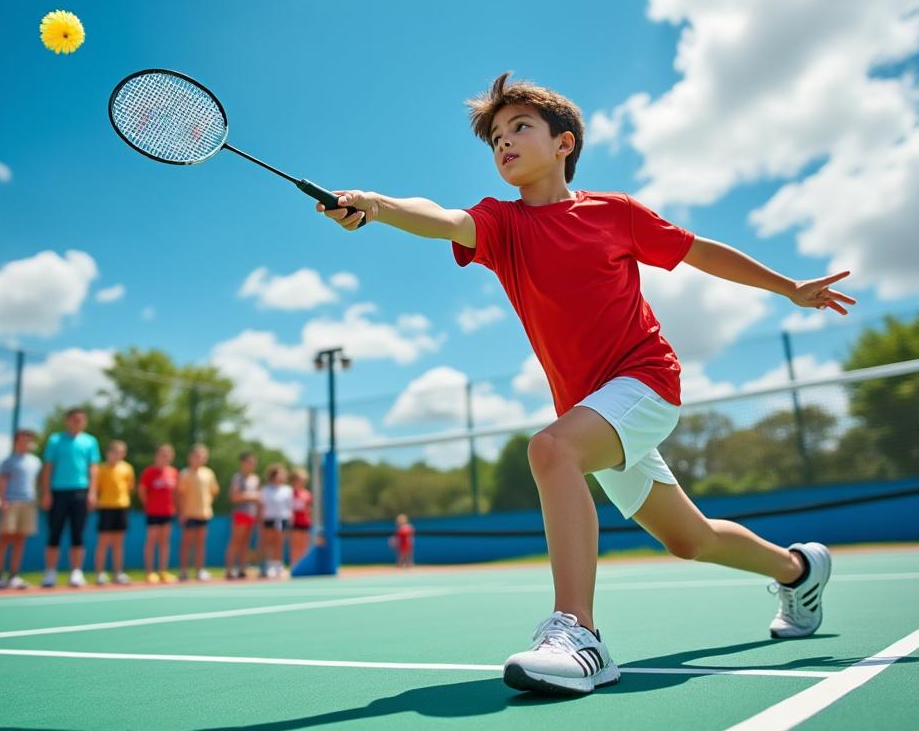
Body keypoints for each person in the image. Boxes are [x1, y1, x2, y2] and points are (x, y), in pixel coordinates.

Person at [315, 72, 853, 695]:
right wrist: (376, 206)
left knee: (551, 449)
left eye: (520, 128)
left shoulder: (613, 213)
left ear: (564, 143)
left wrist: (788, 287)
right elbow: (441, 218)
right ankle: (798, 570)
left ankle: (578, 633)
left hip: (645, 381)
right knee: (689, 539)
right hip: (593, 407)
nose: (503, 143)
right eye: (494, 137)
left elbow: (698, 251)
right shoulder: (501, 225)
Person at [40, 407, 101, 588]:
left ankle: (76, 572)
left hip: (80, 491)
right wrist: (46, 492)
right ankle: (50, 572)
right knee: (54, 533)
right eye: (74, 419)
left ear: (85, 422)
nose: (77, 422)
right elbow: (48, 467)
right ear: (67, 421)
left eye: (81, 419)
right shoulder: (55, 440)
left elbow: (93, 468)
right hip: (58, 492)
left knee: (78, 534)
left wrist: (92, 492)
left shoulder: (90, 441)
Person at [0, 429, 41, 590]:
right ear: (16, 441)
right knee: (5, 539)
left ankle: (13, 576)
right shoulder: (9, 461)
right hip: (11, 503)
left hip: (28, 503)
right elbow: (2, 481)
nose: (26, 443)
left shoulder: (35, 461)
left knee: (20, 541)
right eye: (23, 440)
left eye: (29, 440)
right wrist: (2, 500)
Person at [94, 439, 134, 585]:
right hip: (106, 507)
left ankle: (118, 573)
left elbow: (129, 486)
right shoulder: (101, 468)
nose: (117, 455)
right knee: (103, 542)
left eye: (121, 452)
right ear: (108, 453)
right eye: (114, 452)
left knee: (118, 543)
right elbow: (97, 488)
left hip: (121, 507)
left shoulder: (127, 468)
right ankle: (100, 574)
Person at [176, 443, 218, 581]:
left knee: (201, 543)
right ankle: (183, 571)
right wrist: (181, 513)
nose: (199, 459)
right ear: (190, 457)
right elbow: (180, 495)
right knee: (186, 543)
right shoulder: (185, 473)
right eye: (196, 456)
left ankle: (200, 570)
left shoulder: (208, 473)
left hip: (204, 513)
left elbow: (214, 491)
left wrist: (207, 503)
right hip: (189, 513)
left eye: (202, 456)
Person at [138, 444, 178, 584]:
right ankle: (149, 572)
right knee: (151, 541)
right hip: (153, 512)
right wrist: (148, 505)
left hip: (168, 512)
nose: (165, 457)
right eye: (162, 454)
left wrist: (176, 507)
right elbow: (142, 490)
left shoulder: (173, 472)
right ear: (156, 456)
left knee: (164, 542)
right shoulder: (149, 472)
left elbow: (175, 493)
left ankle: (163, 571)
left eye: (168, 455)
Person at [223, 451, 259, 580]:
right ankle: (229, 569)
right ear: (242, 463)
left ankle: (242, 569)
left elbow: (258, 497)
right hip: (240, 513)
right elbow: (234, 496)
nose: (251, 465)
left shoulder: (255, 479)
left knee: (245, 543)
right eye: (249, 463)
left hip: (251, 513)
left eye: (253, 463)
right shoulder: (237, 478)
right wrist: (251, 496)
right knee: (235, 541)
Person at [258, 464, 292, 579]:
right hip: (269, 519)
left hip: (282, 519)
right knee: (269, 544)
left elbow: (290, 507)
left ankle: (279, 566)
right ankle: (269, 566)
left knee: (279, 544)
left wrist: (291, 520)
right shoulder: (265, 490)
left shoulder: (287, 490)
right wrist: (261, 522)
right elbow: (261, 507)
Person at [288, 467, 313, 568]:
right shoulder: (289, 493)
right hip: (294, 522)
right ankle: (294, 566)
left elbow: (310, 508)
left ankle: (304, 566)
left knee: (304, 545)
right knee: (295, 545)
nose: (301, 482)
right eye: (298, 480)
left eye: (303, 480)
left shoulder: (307, 494)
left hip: (305, 522)